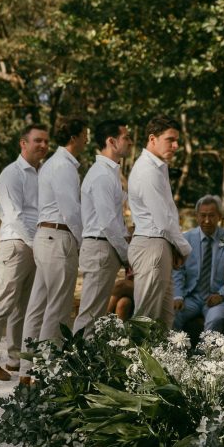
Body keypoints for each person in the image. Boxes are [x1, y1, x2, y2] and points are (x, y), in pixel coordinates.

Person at [0, 124, 49, 381]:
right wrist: (36, 244)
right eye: (37, 140)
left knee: (25, 306)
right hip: (16, 245)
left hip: (36, 245)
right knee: (3, 303)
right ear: (23, 143)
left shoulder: (44, 173)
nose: (43, 145)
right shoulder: (11, 174)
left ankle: (16, 359)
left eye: (46, 141)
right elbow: (14, 216)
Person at [20, 118, 88, 377]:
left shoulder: (52, 163)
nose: (87, 140)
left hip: (46, 236)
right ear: (74, 137)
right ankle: (46, 373)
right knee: (58, 307)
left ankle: (27, 371)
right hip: (58, 236)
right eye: (84, 135)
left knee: (38, 306)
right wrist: (82, 242)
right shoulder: (64, 166)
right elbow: (71, 211)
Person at [127, 115, 191, 328]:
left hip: (160, 244)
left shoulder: (157, 168)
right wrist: (184, 249)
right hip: (151, 245)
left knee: (164, 320)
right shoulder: (147, 170)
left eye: (177, 141)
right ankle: (134, 353)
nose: (175, 146)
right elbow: (163, 220)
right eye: (170, 140)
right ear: (152, 139)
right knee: (145, 320)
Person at [72, 120, 131, 335]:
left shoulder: (110, 173)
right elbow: (108, 223)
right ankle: (76, 355)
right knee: (90, 313)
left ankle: (85, 353)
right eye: (126, 137)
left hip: (105, 248)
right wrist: (127, 255)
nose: (130, 142)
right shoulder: (102, 175)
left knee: (96, 313)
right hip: (100, 247)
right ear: (111, 141)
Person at [173, 195, 224, 337]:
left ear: (219, 217)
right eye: (203, 215)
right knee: (172, 313)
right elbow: (178, 271)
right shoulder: (186, 239)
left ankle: (204, 351)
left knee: (216, 319)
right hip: (191, 297)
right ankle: (174, 349)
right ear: (196, 216)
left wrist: (222, 294)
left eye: (211, 215)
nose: (207, 220)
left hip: (216, 298)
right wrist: (178, 296)